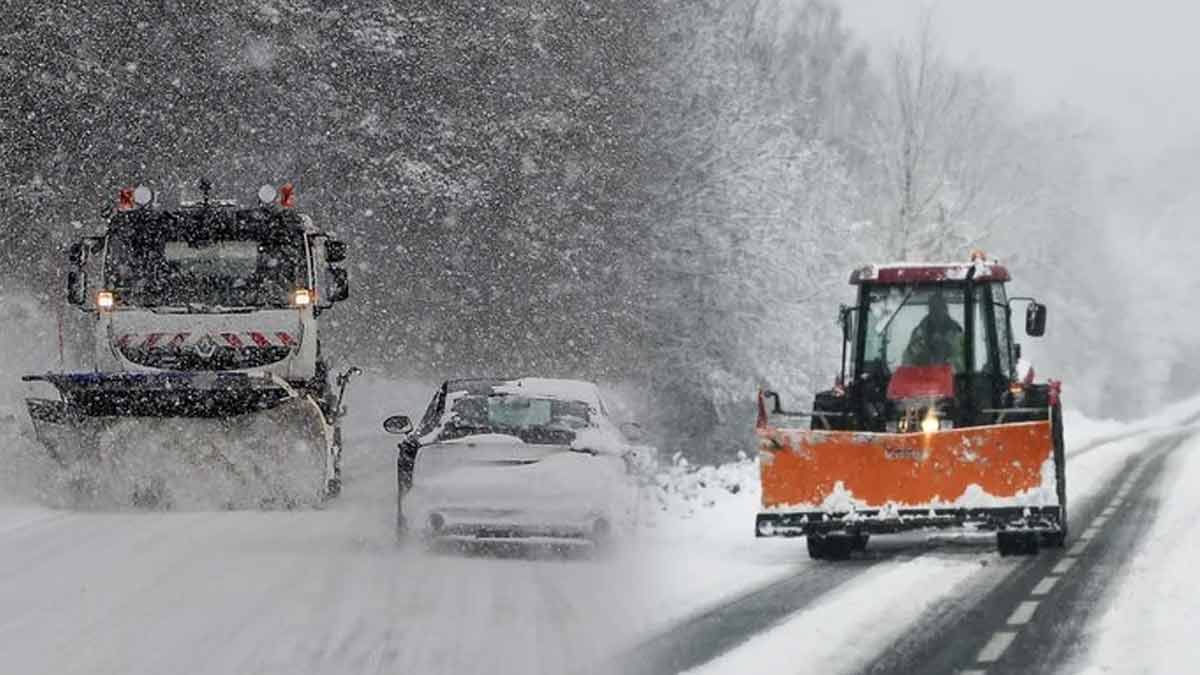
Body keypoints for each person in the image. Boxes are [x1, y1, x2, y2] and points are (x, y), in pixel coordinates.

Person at [903, 292, 965, 372]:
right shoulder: (919, 334)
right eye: (933, 309)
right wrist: (923, 356)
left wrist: (944, 354)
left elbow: (964, 364)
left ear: (945, 309)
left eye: (940, 308)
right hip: (922, 380)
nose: (936, 313)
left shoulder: (957, 334)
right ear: (929, 310)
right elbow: (907, 360)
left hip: (951, 380)